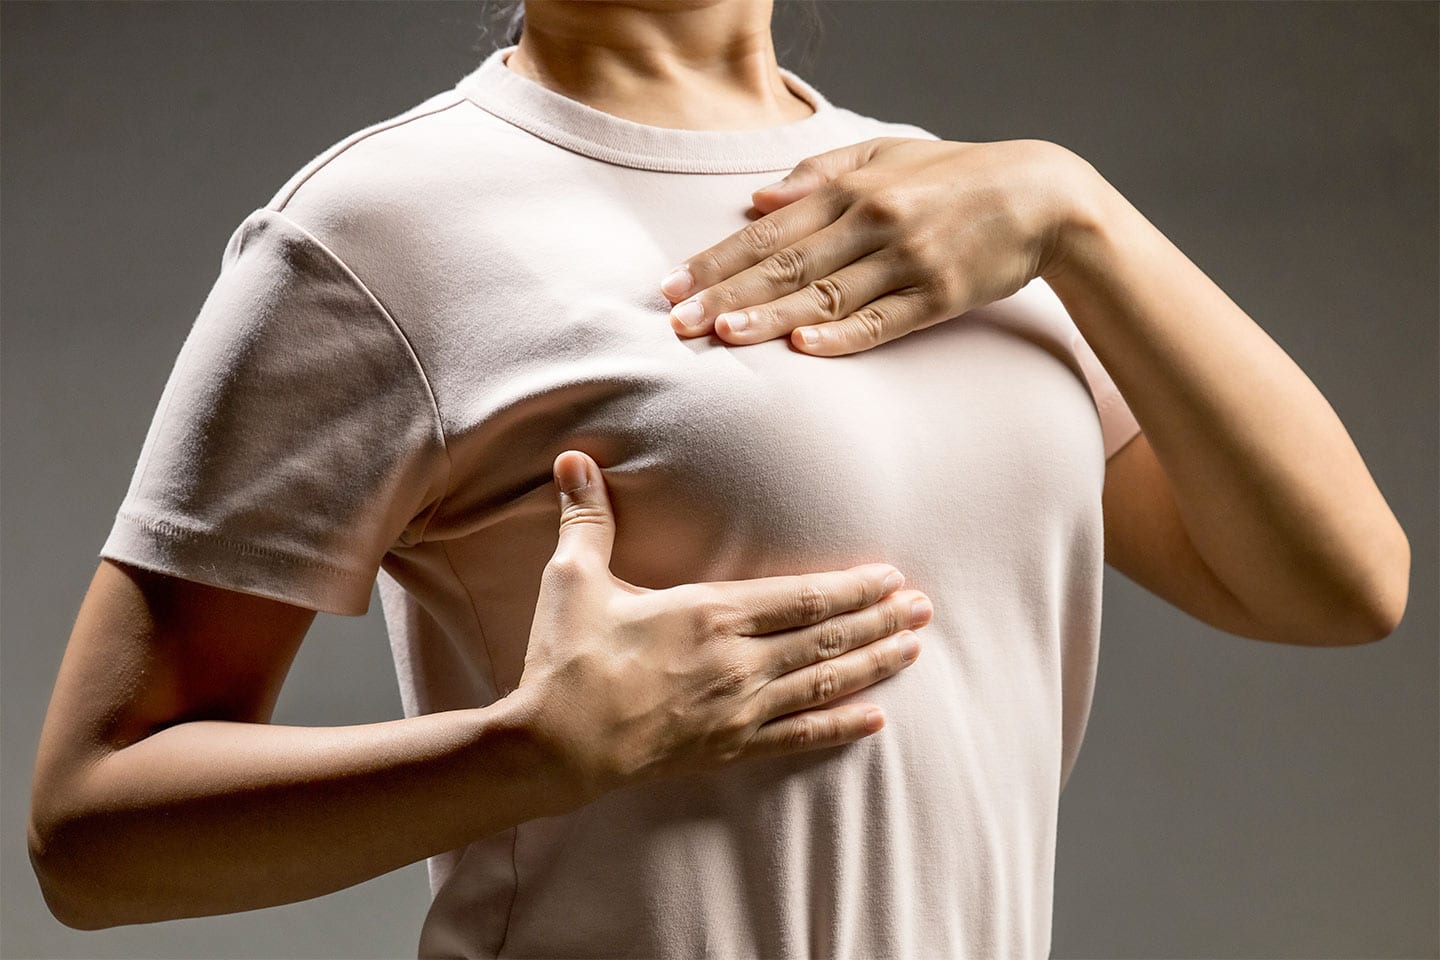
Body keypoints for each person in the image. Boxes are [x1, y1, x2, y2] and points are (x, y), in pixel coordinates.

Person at [28, 0, 1409, 957]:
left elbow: (1338, 584)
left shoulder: (949, 205)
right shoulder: (382, 229)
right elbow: (89, 836)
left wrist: (1077, 212)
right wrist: (527, 756)